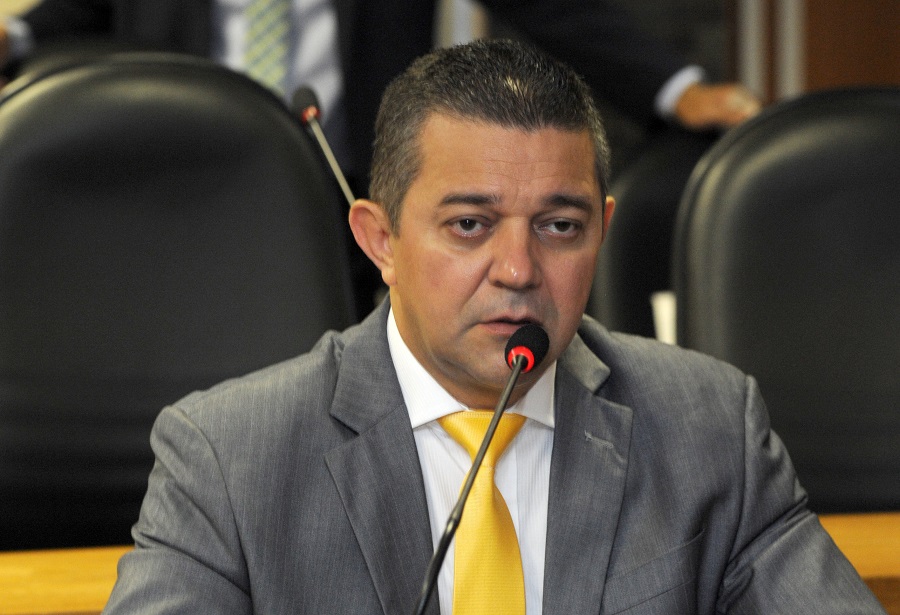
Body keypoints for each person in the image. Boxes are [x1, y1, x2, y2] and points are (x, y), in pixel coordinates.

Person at [101, 39, 883, 614]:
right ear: (380, 240)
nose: (518, 268)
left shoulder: (709, 428)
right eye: (470, 225)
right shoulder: (228, 458)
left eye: (560, 226)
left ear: (602, 232)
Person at [0, 0, 759, 318]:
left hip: (340, 196)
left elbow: (552, 7)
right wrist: (17, 38)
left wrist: (676, 88)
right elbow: (86, 8)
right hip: (174, 197)